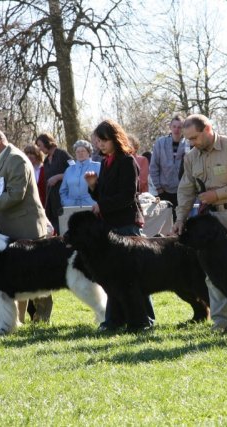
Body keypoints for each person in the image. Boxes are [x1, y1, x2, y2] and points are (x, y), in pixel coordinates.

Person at [170, 114, 227, 332]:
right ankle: (220, 323)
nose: (191, 143)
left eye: (194, 138)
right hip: (207, 220)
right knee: (212, 273)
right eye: (188, 139)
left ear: (207, 129)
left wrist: (218, 194)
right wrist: (180, 219)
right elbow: (186, 190)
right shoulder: (191, 157)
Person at [0, 127, 51, 322]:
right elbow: (1, 193)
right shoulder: (1, 160)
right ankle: (20, 319)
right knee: (18, 275)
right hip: (10, 225)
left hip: (26, 225)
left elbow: (16, 194)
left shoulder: (16, 158)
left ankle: (42, 319)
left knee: (36, 274)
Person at [84, 119, 153, 331]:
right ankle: (114, 320)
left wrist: (101, 205)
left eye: (104, 140)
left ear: (115, 138)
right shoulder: (106, 162)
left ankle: (145, 319)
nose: (100, 145)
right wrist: (94, 186)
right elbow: (103, 194)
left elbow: (127, 196)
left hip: (127, 225)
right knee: (114, 277)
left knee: (134, 276)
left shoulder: (126, 161)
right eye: (98, 141)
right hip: (112, 225)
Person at [150, 114, 188, 213]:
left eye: (179, 127)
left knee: (180, 219)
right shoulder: (160, 143)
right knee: (164, 220)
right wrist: (158, 187)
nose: (176, 129)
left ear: (183, 128)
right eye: (174, 126)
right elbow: (154, 166)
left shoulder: (188, 144)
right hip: (163, 190)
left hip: (181, 190)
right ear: (170, 127)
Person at [35, 133, 72, 235]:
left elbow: (76, 171)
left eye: (40, 145)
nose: (39, 149)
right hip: (52, 203)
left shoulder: (62, 154)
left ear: (47, 142)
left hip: (64, 200)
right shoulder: (46, 161)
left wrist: (58, 176)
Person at [59, 139, 100, 207]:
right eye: (77, 151)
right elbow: (63, 191)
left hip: (92, 206)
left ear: (89, 152)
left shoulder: (98, 166)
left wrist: (98, 203)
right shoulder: (69, 170)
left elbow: (104, 188)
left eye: (83, 151)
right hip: (72, 207)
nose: (80, 153)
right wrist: (66, 202)